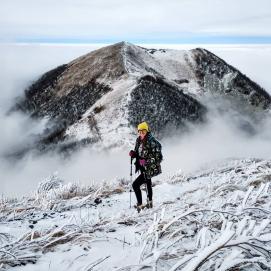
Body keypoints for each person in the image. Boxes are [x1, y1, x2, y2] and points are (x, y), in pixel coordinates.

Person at [129, 121, 163, 212]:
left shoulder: (152, 142)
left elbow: (158, 157)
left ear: (147, 131)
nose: (141, 133)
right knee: (148, 183)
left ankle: (140, 205)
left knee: (135, 185)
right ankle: (149, 203)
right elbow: (138, 153)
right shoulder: (138, 140)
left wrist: (146, 161)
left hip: (149, 168)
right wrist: (133, 154)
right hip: (142, 166)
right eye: (139, 131)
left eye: (143, 131)